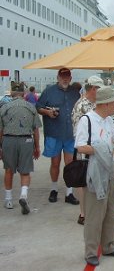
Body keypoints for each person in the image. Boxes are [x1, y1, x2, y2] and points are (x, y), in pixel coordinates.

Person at [74, 85, 114, 266]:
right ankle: (90, 251)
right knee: (95, 215)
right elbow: (80, 146)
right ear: (106, 104)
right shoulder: (87, 121)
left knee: (111, 212)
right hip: (94, 172)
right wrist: (103, 148)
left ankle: (108, 245)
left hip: (109, 170)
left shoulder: (108, 120)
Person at [36, 68, 81, 204]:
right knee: (55, 163)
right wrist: (47, 112)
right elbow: (38, 107)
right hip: (54, 133)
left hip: (70, 134)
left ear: (71, 78)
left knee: (70, 164)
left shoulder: (75, 93)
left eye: (67, 77)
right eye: (62, 77)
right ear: (58, 77)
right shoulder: (49, 91)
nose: (65, 79)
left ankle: (69, 193)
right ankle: (54, 189)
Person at [0, 82, 41, 214]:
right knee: (25, 171)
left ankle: (8, 199)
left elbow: (0, 129)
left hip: (9, 139)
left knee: (9, 170)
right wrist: (37, 146)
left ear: (11, 93)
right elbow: (36, 130)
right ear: (24, 94)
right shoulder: (30, 107)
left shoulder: (4, 108)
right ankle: (23, 195)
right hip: (26, 140)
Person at [71, 75, 104, 225]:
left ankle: (89, 211)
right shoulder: (82, 106)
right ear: (92, 89)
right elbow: (79, 134)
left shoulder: (93, 103)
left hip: (94, 149)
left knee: (90, 182)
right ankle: (84, 213)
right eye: (99, 89)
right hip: (85, 150)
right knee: (84, 183)